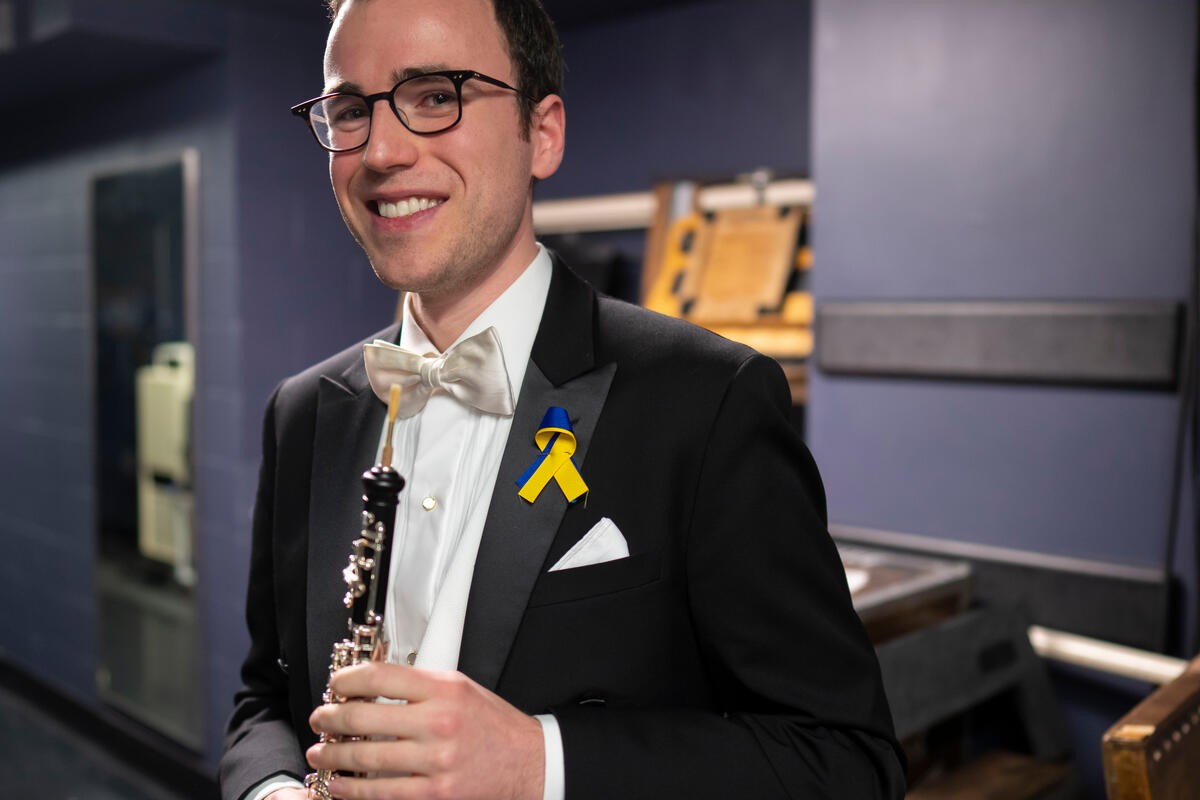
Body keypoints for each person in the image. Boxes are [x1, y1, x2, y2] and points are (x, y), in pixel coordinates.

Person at [220, 0, 907, 798]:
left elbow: (848, 763)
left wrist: (538, 762)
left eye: (435, 95)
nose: (381, 150)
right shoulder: (302, 413)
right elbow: (263, 701)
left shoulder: (707, 400)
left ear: (542, 132)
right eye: (349, 109)